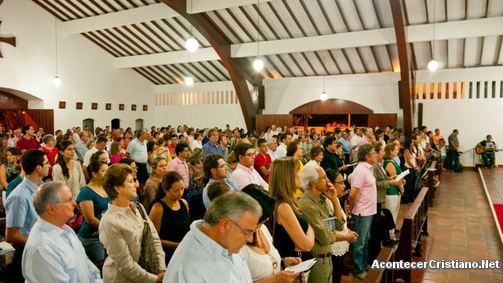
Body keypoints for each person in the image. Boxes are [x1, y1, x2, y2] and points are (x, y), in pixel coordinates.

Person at [163, 192, 262, 282]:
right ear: (224, 224)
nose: (250, 239)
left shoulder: (226, 241)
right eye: (247, 232)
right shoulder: (189, 272)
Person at [22, 181, 102, 283]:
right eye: (69, 200)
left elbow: (85, 264)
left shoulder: (65, 229)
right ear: (51, 208)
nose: (74, 203)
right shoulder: (42, 248)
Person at [99, 164, 166, 283]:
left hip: (148, 272)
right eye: (130, 181)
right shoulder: (110, 221)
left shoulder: (138, 207)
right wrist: (154, 279)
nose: (136, 185)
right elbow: (125, 264)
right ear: (117, 188)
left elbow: (154, 238)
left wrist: (161, 268)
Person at [299, 164, 356, 283]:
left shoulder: (323, 199)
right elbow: (324, 237)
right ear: (313, 182)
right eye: (323, 177)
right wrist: (344, 236)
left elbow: (339, 225)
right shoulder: (306, 204)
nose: (328, 181)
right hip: (317, 260)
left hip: (327, 257)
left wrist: (334, 199)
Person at [5, 150, 50, 282]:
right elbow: (12, 236)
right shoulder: (19, 196)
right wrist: (42, 243)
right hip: (28, 252)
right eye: (47, 163)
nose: (50, 165)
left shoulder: (42, 187)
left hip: (44, 248)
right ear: (38, 167)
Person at [240, 184, 301, 283]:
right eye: (264, 217)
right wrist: (275, 280)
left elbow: (267, 261)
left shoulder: (262, 228)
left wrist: (284, 262)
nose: (267, 219)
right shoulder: (236, 243)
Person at [269, 157, 315, 259]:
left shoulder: (290, 201)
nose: (301, 175)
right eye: (297, 171)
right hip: (294, 265)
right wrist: (310, 232)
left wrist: (308, 231)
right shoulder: (283, 206)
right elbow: (306, 245)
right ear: (287, 176)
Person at [348, 144, 377, 280]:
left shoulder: (368, 168)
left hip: (369, 210)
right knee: (359, 243)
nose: (376, 154)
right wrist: (352, 208)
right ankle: (358, 269)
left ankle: (363, 264)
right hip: (362, 211)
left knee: (366, 239)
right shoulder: (361, 170)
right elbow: (353, 194)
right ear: (366, 156)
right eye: (373, 152)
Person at [149, 172, 190, 265]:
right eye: (176, 191)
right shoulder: (158, 208)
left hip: (183, 252)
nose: (180, 193)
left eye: (182, 189)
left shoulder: (184, 203)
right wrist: (178, 245)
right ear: (166, 190)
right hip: (167, 255)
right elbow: (153, 238)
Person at [77, 160, 110, 263]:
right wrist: (109, 228)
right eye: (103, 171)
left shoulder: (106, 187)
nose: (107, 173)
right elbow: (90, 219)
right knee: (100, 264)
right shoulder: (86, 192)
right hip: (92, 237)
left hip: (106, 234)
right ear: (94, 174)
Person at [383, 142, 404, 240]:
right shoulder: (389, 163)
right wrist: (402, 187)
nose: (397, 151)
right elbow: (395, 179)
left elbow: (399, 176)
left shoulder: (393, 160)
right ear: (390, 151)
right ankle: (389, 235)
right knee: (391, 214)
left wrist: (403, 180)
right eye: (395, 150)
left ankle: (392, 232)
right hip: (391, 192)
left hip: (396, 191)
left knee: (395, 212)